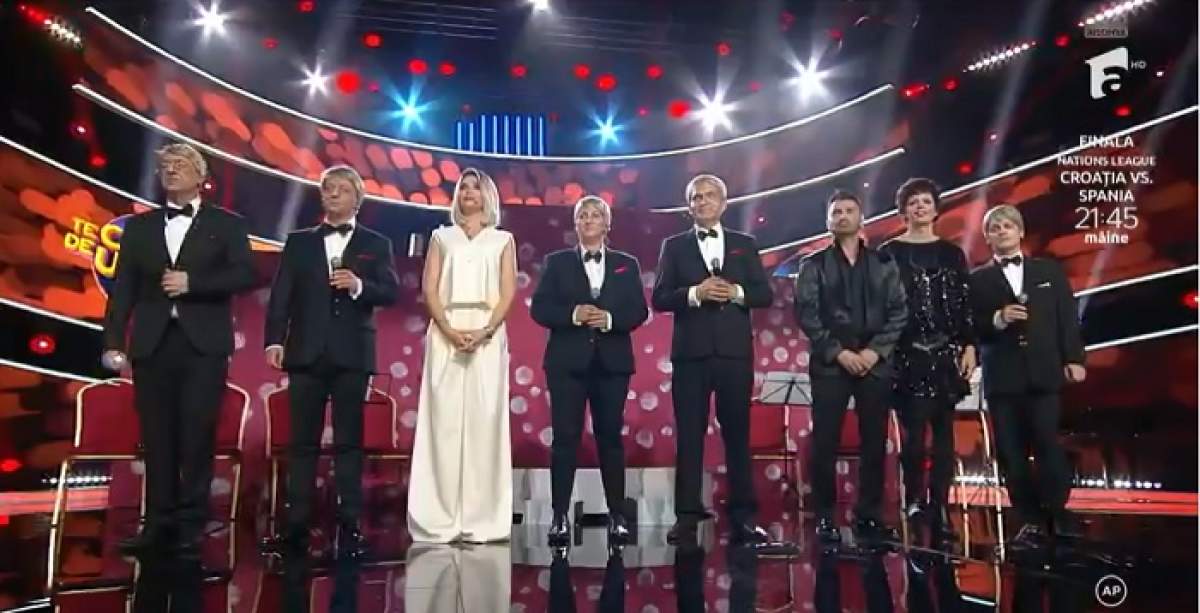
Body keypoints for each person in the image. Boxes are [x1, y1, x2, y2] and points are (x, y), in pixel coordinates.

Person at [101, 143, 256, 556]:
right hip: (152, 344)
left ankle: (191, 524)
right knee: (157, 438)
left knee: (196, 434)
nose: (171, 170)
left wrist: (194, 283)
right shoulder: (140, 228)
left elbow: (245, 274)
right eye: (165, 166)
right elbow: (123, 291)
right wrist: (113, 342)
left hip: (203, 345)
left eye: (180, 164)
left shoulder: (228, 225)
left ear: (201, 176)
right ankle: (157, 525)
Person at [263, 164, 399, 558]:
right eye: (328, 188)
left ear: (358, 198)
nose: (333, 194)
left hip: (352, 353)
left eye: (341, 188)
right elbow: (282, 295)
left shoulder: (376, 243)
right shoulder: (299, 242)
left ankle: (350, 527)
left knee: (348, 443)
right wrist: (274, 341)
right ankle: (296, 527)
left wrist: (358, 285)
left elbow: (390, 291)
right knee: (302, 443)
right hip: (305, 352)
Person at [650, 174, 774, 547]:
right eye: (695, 197)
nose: (702, 202)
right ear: (689, 206)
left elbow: (763, 294)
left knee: (737, 435)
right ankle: (687, 517)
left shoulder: (744, 244)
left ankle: (744, 517)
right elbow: (660, 297)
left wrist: (735, 292)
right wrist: (694, 293)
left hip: (734, 354)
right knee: (689, 436)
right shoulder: (674, 246)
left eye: (708, 196)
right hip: (691, 354)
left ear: (723, 203)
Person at [530, 195, 648, 547]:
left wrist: (609, 319)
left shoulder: (627, 264)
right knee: (565, 439)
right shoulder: (557, 262)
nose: (589, 219)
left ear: (607, 224)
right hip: (567, 363)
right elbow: (540, 309)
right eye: (583, 215)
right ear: (575, 223)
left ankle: (617, 516)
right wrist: (573, 315)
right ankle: (559, 517)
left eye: (596, 214)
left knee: (610, 438)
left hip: (612, 364)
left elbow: (639, 311)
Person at [408, 168, 517, 543]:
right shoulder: (442, 237)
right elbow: (430, 288)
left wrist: (486, 330)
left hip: (488, 332)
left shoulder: (502, 240)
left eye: (475, 187)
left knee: (484, 423)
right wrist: (448, 329)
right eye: (463, 187)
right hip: (446, 330)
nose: (469, 192)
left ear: (488, 195)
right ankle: (439, 516)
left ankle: (481, 518)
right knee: (444, 422)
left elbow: (507, 291)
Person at [793, 190, 907, 545]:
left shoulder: (884, 263)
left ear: (861, 218)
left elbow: (899, 311)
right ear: (828, 221)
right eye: (836, 212)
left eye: (849, 210)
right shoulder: (812, 265)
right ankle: (825, 517)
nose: (842, 216)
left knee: (874, 441)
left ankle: (869, 515)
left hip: (875, 364)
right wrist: (839, 353)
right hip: (831, 364)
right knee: (824, 441)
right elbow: (807, 316)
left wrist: (874, 352)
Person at [969, 204, 1086, 545]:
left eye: (1007, 225)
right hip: (1003, 377)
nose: (1002, 231)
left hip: (1044, 372)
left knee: (1048, 443)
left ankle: (1057, 512)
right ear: (987, 238)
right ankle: (1029, 518)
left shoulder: (1048, 271)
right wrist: (997, 319)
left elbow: (1067, 318)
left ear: (1020, 232)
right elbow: (969, 327)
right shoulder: (977, 280)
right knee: (1012, 451)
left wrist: (1074, 358)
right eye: (995, 228)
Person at [878, 178, 976, 549]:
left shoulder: (953, 254)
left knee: (945, 437)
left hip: (946, 354)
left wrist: (969, 345)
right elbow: (882, 305)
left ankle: (941, 507)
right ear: (904, 210)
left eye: (926, 201)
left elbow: (965, 303)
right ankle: (915, 501)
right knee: (914, 436)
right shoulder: (889, 252)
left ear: (936, 209)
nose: (920, 207)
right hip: (906, 353)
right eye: (913, 202)